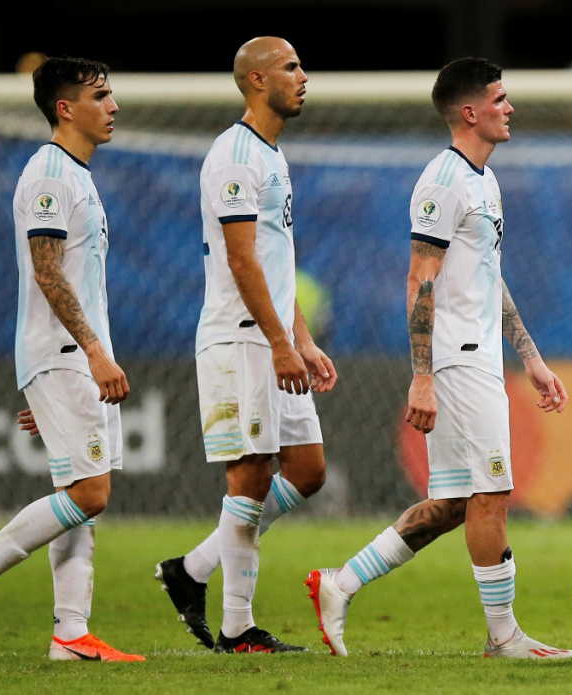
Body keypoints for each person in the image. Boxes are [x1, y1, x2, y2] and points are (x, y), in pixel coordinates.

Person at [305, 57, 572, 660]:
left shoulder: (486, 181)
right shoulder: (443, 181)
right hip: (456, 362)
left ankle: (339, 584)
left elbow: (486, 276)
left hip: (478, 357)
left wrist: (530, 357)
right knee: (492, 494)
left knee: (456, 503)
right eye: (500, 99)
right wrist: (422, 377)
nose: (510, 108)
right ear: (469, 112)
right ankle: (503, 636)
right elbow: (418, 281)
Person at [0, 56, 143, 661]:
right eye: (101, 96)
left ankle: (70, 634)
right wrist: (92, 354)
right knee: (90, 494)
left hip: (71, 354)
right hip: (66, 350)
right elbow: (48, 273)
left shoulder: (76, 174)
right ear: (65, 108)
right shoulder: (50, 175)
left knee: (78, 497)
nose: (113, 106)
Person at [153, 36, 337, 655]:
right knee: (251, 474)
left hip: (274, 337)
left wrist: (302, 340)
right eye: (291, 67)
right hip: (240, 339)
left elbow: (275, 261)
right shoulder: (235, 155)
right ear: (258, 80)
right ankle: (237, 628)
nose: (303, 76)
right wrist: (280, 343)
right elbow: (240, 259)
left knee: (307, 470)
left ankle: (191, 570)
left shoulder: (272, 156)